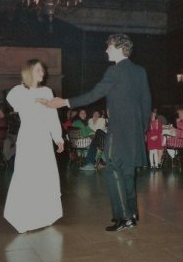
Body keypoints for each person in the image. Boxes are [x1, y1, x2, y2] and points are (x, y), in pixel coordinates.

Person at [40, 33, 151, 231]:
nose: (106, 50)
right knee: (127, 172)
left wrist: (65, 102)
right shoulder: (140, 71)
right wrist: (141, 129)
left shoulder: (114, 71)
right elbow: (146, 103)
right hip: (134, 131)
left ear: (117, 47)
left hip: (118, 130)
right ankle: (132, 214)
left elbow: (94, 94)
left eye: (108, 46)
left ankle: (123, 218)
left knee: (112, 170)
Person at [3, 59, 64, 234]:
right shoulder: (18, 91)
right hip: (29, 137)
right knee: (26, 175)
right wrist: (35, 100)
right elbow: (15, 102)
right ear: (29, 71)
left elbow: (52, 116)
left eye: (42, 70)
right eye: (38, 70)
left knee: (45, 175)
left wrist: (58, 138)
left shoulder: (47, 91)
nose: (42, 73)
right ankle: (24, 217)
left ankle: (44, 216)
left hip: (43, 138)